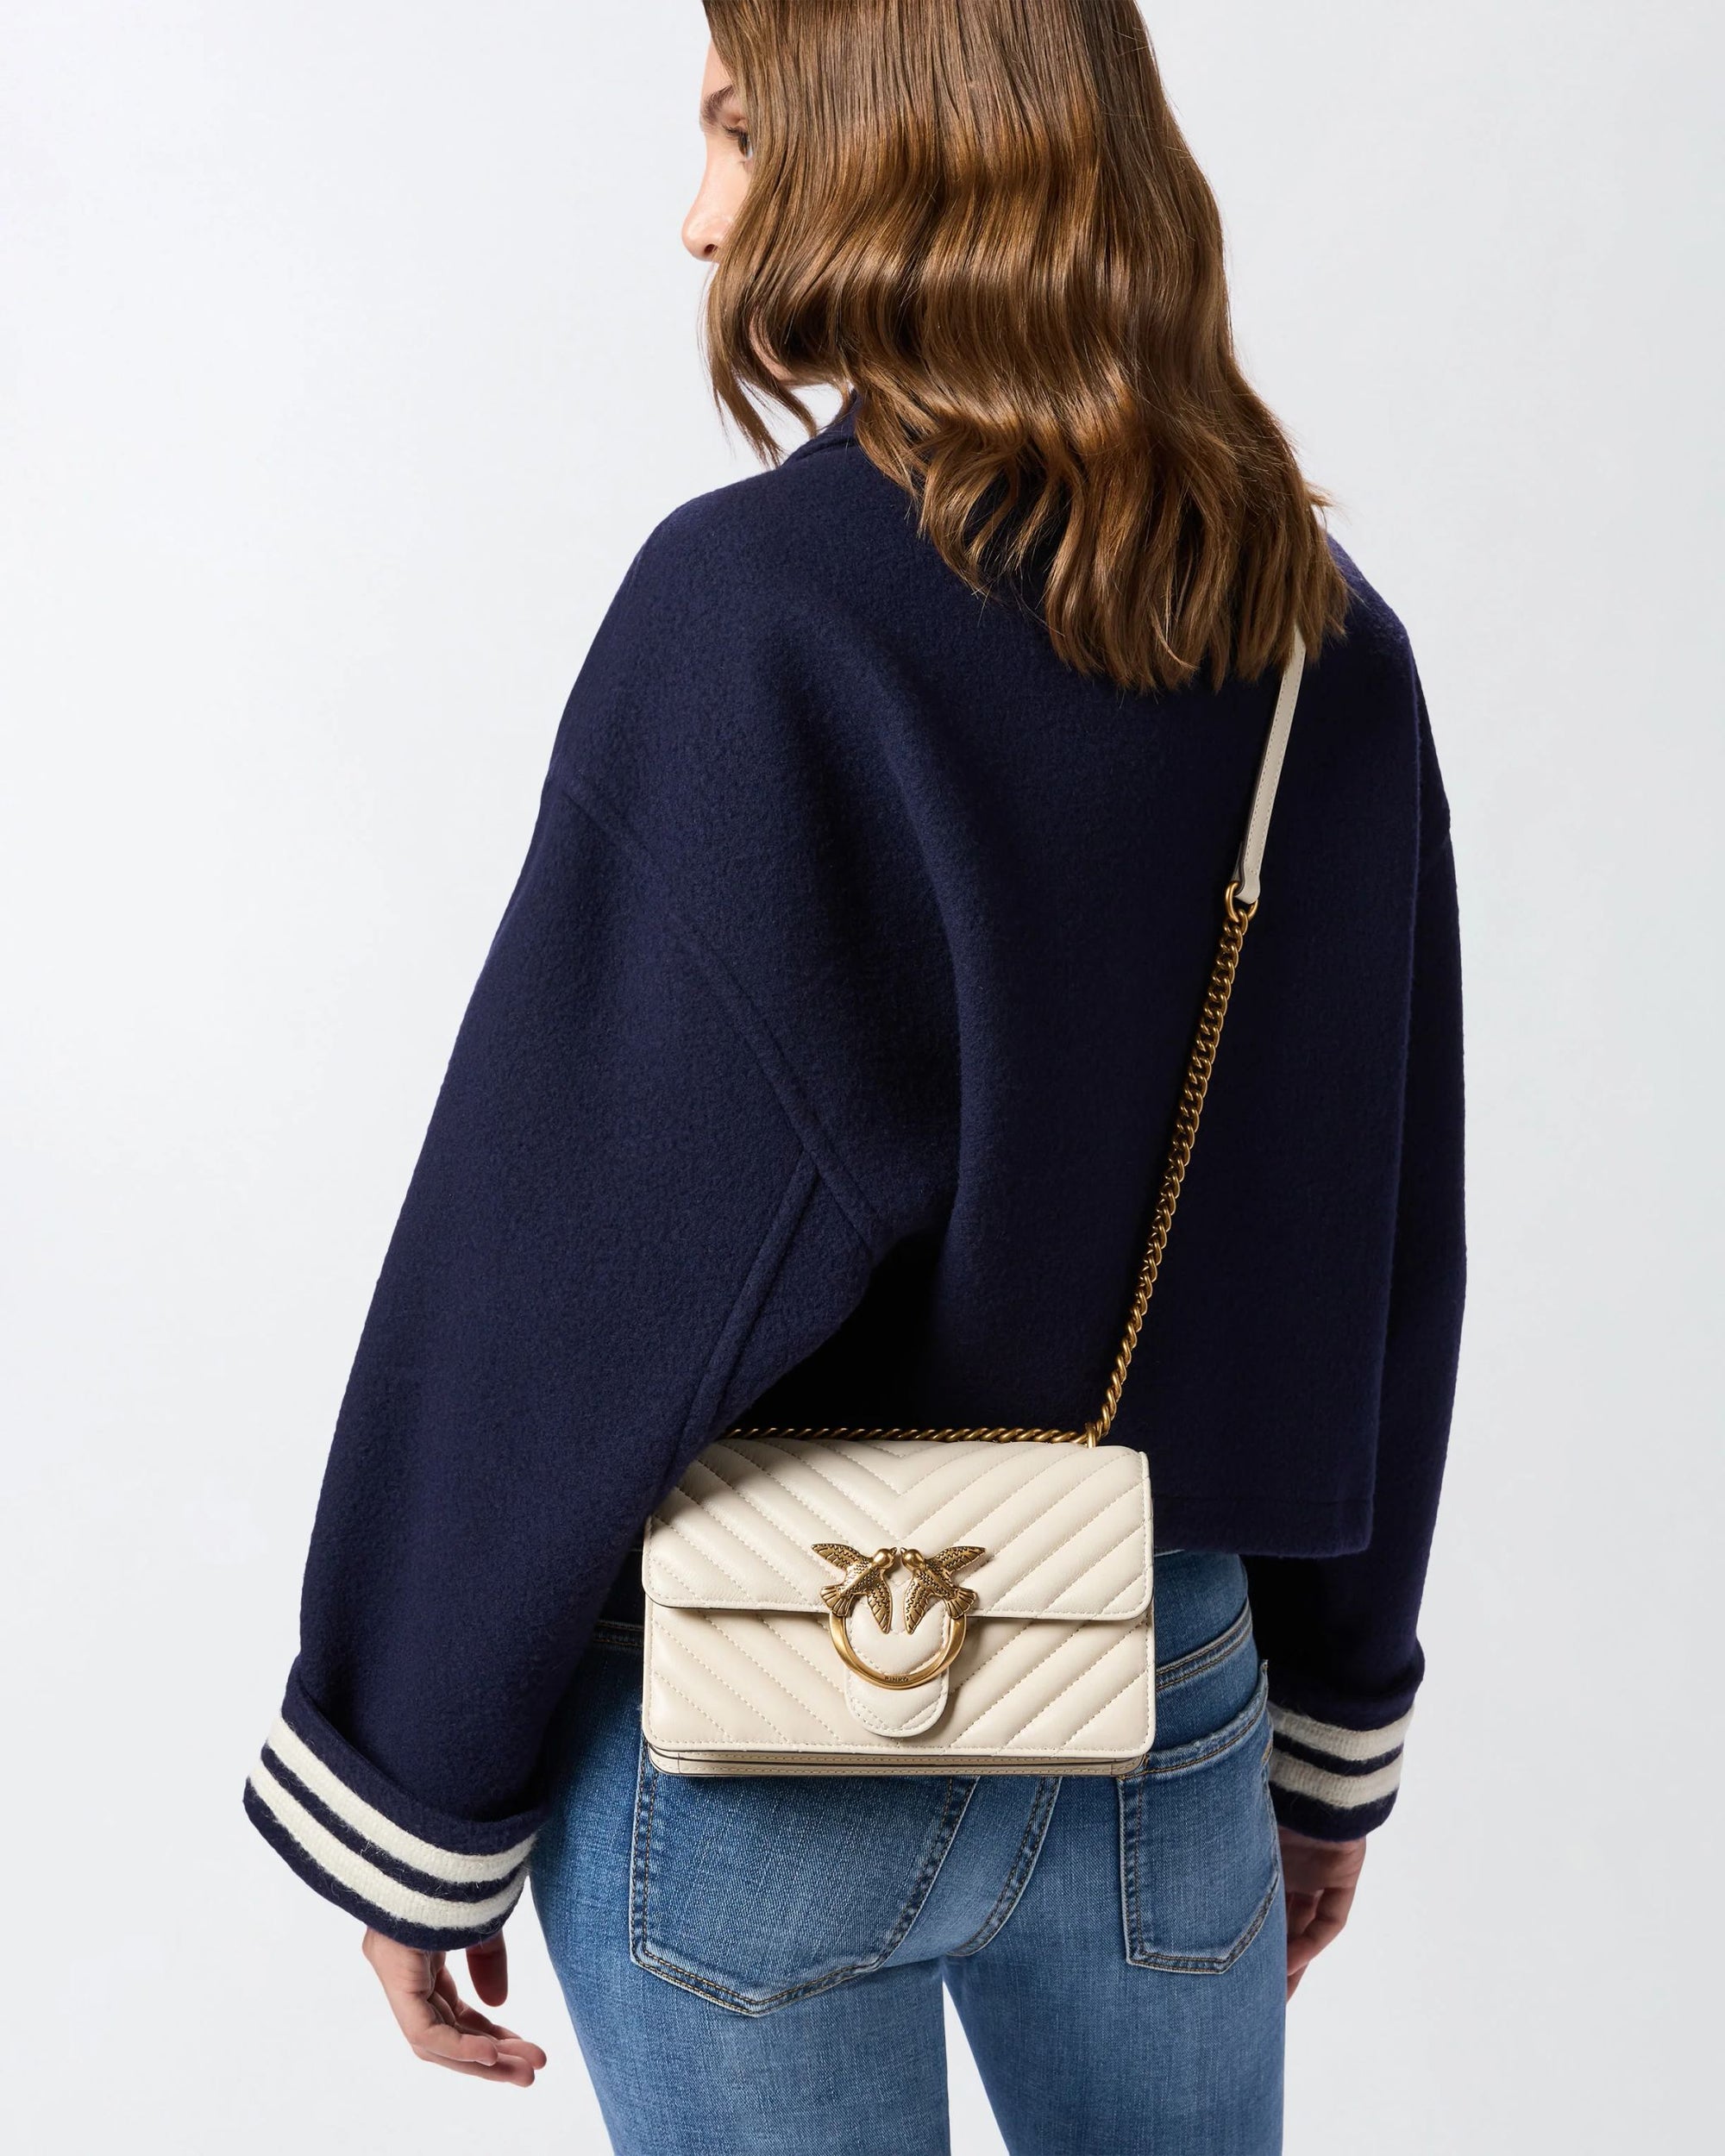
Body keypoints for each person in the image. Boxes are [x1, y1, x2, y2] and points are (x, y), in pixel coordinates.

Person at [243, 5, 1464, 2150]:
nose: (698, 217)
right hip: (1160, 1681)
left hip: (764, 1707)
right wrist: (1332, 1714)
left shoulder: (755, 617)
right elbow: (1368, 1222)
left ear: (883, 148)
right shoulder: (1318, 643)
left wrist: (405, 1774)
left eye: (735, 132)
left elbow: (569, 1247)